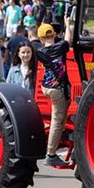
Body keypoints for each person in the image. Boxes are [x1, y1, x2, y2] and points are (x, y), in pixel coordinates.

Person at [35, 20, 73, 167]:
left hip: (46, 86)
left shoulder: (40, 51)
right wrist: (67, 24)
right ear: (54, 35)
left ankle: (58, 142)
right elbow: (68, 39)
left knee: (59, 120)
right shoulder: (60, 47)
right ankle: (50, 154)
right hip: (57, 89)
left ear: (41, 38)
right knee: (57, 122)